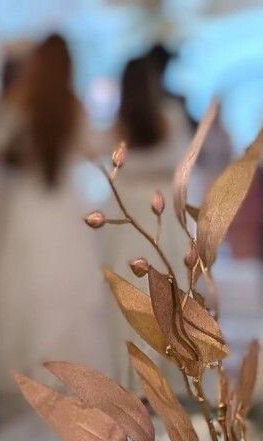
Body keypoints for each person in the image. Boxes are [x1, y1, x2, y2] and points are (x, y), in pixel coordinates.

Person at [0, 35, 114, 396]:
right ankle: (72, 371)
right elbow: (91, 149)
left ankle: (37, 370)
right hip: (64, 205)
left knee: (31, 284)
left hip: (30, 203)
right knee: (69, 285)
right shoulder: (73, 105)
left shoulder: (21, 103)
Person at [99, 54, 193, 386]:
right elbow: (183, 166)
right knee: (169, 294)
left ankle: (136, 376)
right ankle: (168, 375)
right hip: (160, 215)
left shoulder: (116, 126)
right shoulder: (171, 117)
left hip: (126, 214)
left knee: (130, 295)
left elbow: (106, 166)